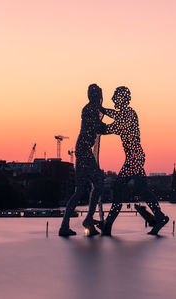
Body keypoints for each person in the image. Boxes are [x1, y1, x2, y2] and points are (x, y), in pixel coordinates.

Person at [99, 86, 169, 236]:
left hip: (134, 157)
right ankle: (160, 217)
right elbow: (116, 116)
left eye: (115, 97)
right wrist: (103, 111)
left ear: (122, 99)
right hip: (135, 156)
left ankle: (108, 225)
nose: (112, 99)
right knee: (141, 190)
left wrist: (99, 123)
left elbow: (112, 127)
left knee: (119, 188)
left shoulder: (129, 114)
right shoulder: (126, 113)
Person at [59, 84, 106, 237]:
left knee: (81, 190)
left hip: (82, 150)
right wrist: (119, 128)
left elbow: (99, 124)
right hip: (84, 150)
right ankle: (88, 220)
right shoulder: (90, 109)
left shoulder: (91, 109)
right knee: (98, 183)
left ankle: (66, 225)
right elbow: (99, 128)